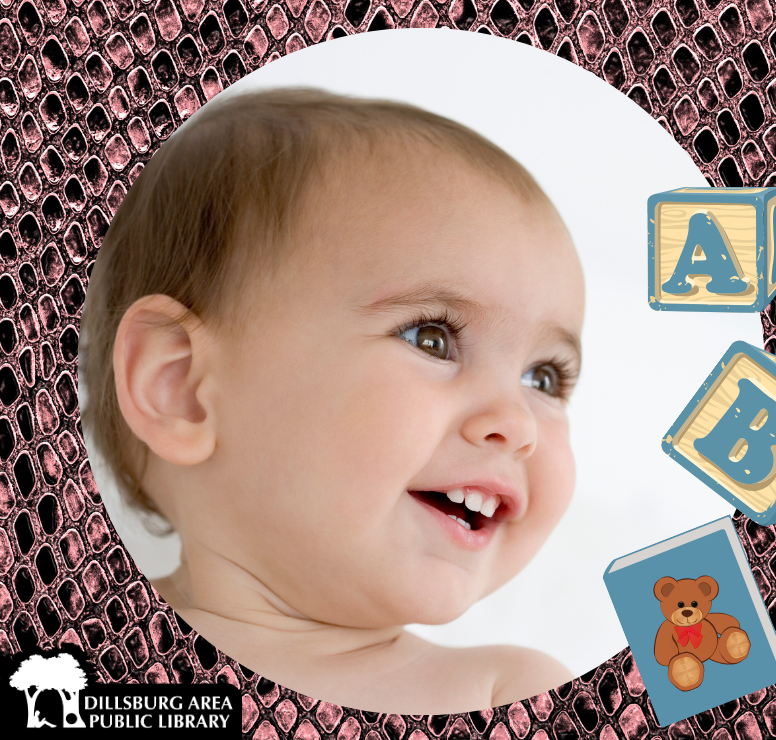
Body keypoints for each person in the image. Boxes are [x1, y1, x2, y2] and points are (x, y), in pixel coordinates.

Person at [80, 88, 585, 713]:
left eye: (544, 378)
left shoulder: (506, 698)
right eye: (433, 338)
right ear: (180, 388)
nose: (516, 424)